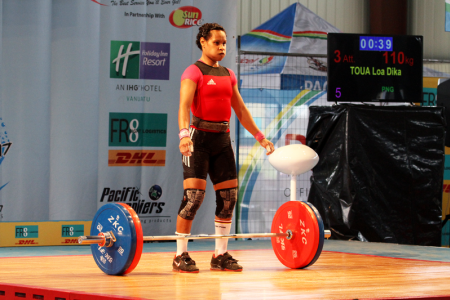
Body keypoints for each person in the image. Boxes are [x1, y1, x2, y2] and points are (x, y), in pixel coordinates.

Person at [174, 22, 275, 273]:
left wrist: (260, 137)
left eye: (224, 43)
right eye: (216, 42)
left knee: (228, 200)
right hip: (198, 140)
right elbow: (184, 106)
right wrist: (184, 136)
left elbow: (239, 109)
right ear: (203, 42)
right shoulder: (193, 72)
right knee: (193, 199)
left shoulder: (228, 74)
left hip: (222, 140)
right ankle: (180, 255)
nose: (222, 47)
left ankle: (220, 255)